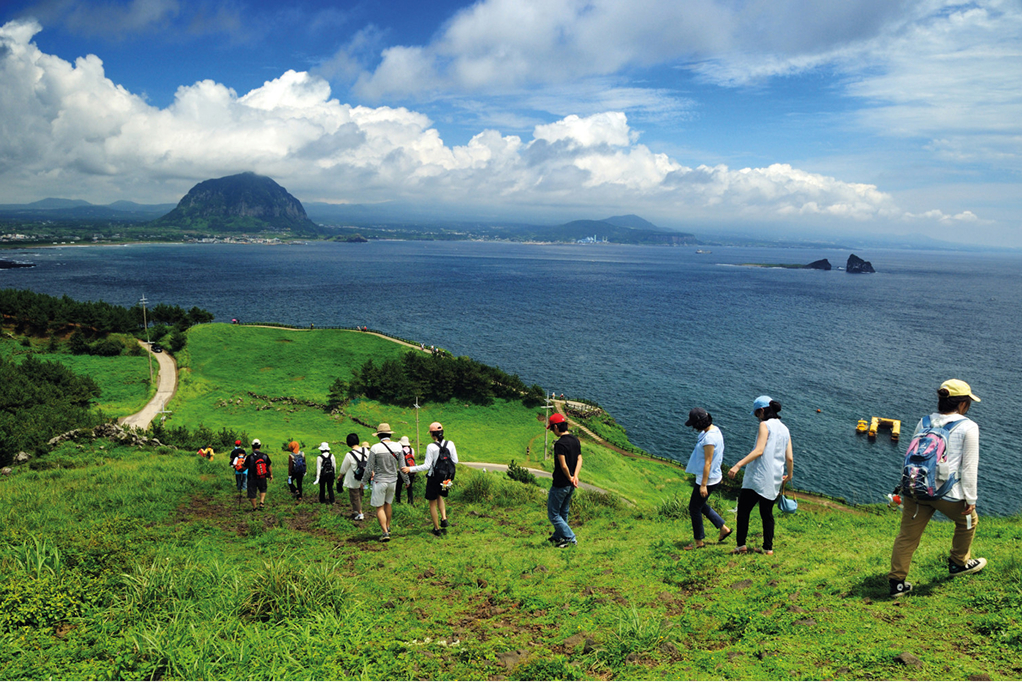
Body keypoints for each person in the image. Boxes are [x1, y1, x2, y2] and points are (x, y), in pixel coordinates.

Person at [888, 379, 986, 598]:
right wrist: (971, 499)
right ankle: (958, 564)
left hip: (916, 489)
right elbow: (969, 467)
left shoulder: (923, 422)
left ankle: (897, 583)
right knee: (968, 521)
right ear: (962, 405)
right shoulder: (968, 426)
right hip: (945, 494)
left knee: (907, 536)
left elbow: (913, 455)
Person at [727, 396, 794, 555]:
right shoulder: (785, 429)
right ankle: (767, 548)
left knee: (744, 511)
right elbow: (789, 457)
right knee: (767, 514)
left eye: (757, 414)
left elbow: (759, 450)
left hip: (757, 478)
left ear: (762, 411)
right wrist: (789, 476)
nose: (757, 418)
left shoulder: (765, 425)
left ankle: (741, 546)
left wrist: (737, 465)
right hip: (774, 479)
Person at [682, 407, 731, 550]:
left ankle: (699, 542)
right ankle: (723, 528)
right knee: (700, 505)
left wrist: (703, 485)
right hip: (712, 476)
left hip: (707, 479)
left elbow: (707, 463)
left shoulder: (709, 438)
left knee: (694, 508)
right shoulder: (714, 431)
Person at [402, 422, 459, 537]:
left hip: (434, 478)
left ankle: (437, 528)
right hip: (448, 478)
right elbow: (455, 461)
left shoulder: (431, 447)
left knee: (432, 502)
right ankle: (444, 518)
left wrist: (410, 469)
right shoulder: (451, 444)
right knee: (440, 496)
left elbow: (427, 466)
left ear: (432, 434)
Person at [545, 413, 582, 548]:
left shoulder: (560, 444)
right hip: (571, 484)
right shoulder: (575, 440)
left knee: (553, 514)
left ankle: (570, 538)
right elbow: (579, 459)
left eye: (551, 428)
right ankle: (558, 536)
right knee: (563, 512)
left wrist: (569, 477)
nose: (552, 431)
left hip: (561, 483)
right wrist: (575, 477)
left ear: (556, 427)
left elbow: (563, 465)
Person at [367, 423, 401, 542]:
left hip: (380, 480)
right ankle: (388, 526)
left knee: (379, 507)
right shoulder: (398, 446)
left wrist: (363, 481)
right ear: (389, 434)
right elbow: (402, 466)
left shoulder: (375, 448)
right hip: (393, 480)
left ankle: (384, 532)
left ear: (379, 435)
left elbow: (369, 467)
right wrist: (406, 481)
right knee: (388, 504)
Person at [339, 433, 367, 520]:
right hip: (363, 477)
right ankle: (357, 511)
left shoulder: (349, 454)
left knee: (354, 496)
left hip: (353, 478)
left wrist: (340, 476)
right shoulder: (366, 451)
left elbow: (344, 467)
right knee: (360, 494)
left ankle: (360, 513)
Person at [245, 438, 273, 511]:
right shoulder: (265, 456)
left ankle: (255, 507)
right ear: (260, 446)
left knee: (252, 492)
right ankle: (261, 502)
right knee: (263, 489)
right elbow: (269, 465)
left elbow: (245, 467)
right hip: (262, 476)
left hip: (252, 478)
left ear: (252, 447)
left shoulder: (249, 457)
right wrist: (270, 475)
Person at [395, 436, 416, 504]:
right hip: (410, 470)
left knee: (399, 486)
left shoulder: (400, 450)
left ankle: (398, 501)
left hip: (402, 470)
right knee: (410, 487)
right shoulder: (412, 450)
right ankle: (410, 501)